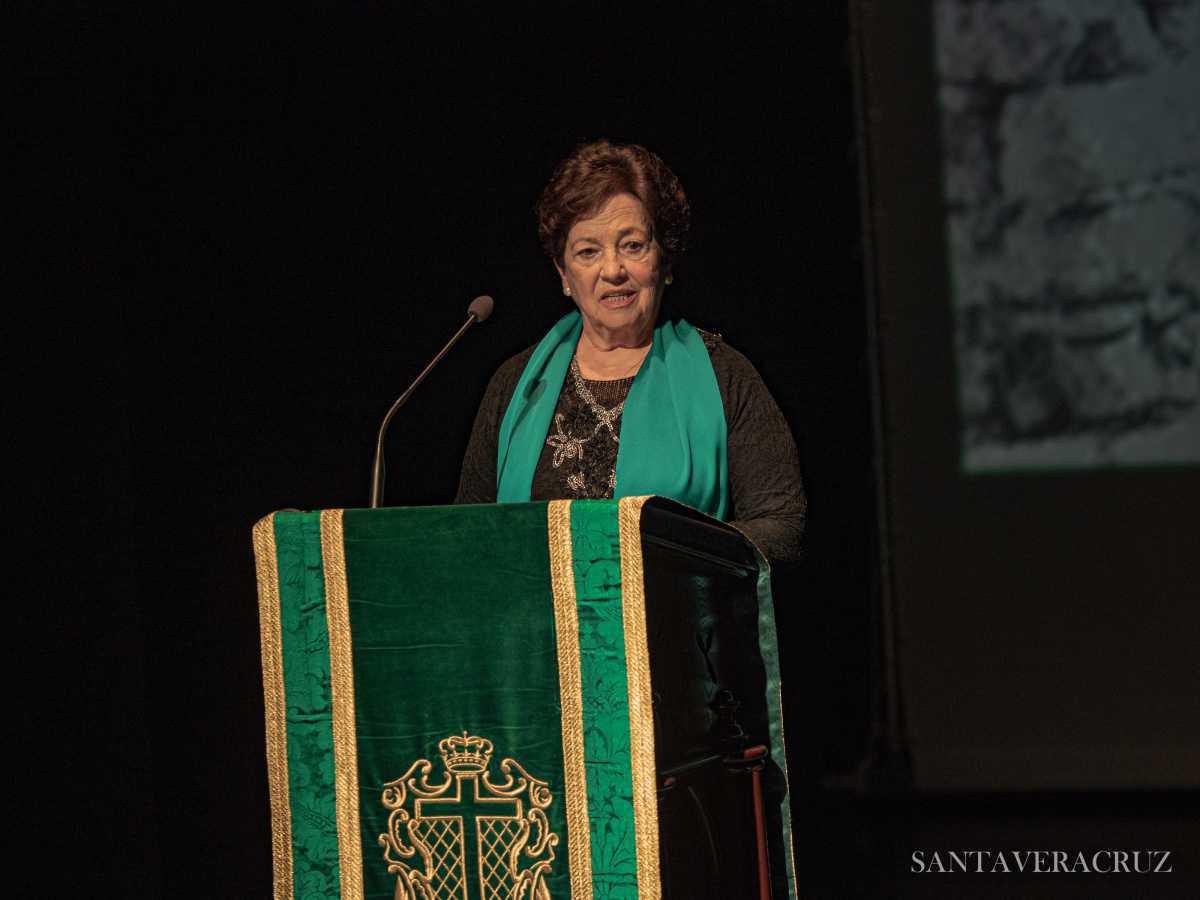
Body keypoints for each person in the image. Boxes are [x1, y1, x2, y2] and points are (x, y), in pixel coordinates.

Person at [455, 138, 805, 563]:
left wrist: (675, 559)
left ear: (665, 261)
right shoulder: (516, 385)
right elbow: (469, 534)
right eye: (588, 251)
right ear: (564, 274)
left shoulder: (724, 376)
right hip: (535, 627)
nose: (613, 270)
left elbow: (780, 522)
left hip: (672, 623)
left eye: (632, 245)